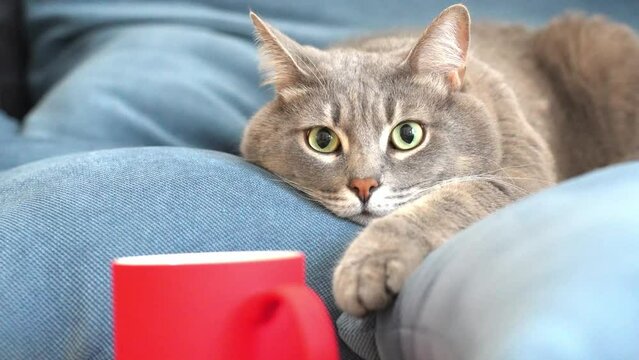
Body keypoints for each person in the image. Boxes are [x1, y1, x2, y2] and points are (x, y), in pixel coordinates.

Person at [1, 1, 638, 359]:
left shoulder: (477, 106)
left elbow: (525, 182)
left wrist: (409, 232)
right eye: (327, 142)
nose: (365, 182)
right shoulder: (306, 89)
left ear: (452, 86)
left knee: (598, 52)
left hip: (582, 96)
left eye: (405, 138)